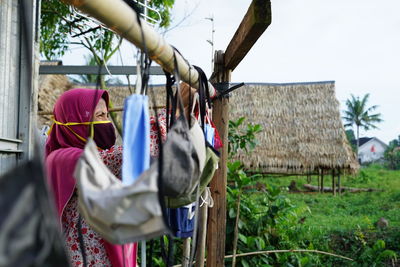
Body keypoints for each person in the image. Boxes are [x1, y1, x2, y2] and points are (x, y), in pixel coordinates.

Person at [45, 88, 137, 267]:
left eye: (106, 114)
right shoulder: (65, 157)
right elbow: (124, 157)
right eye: (99, 115)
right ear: (76, 121)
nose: (106, 121)